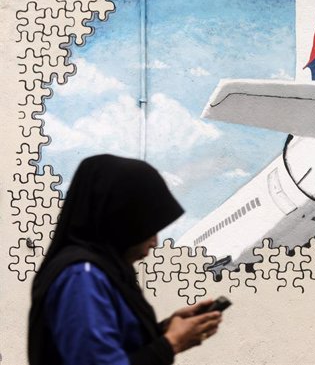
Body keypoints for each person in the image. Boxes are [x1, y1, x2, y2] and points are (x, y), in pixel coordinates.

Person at [28, 154, 222, 365]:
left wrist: (164, 331)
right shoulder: (82, 277)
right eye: (149, 229)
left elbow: (115, 347)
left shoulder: (103, 272)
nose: (154, 243)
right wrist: (171, 343)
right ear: (122, 220)